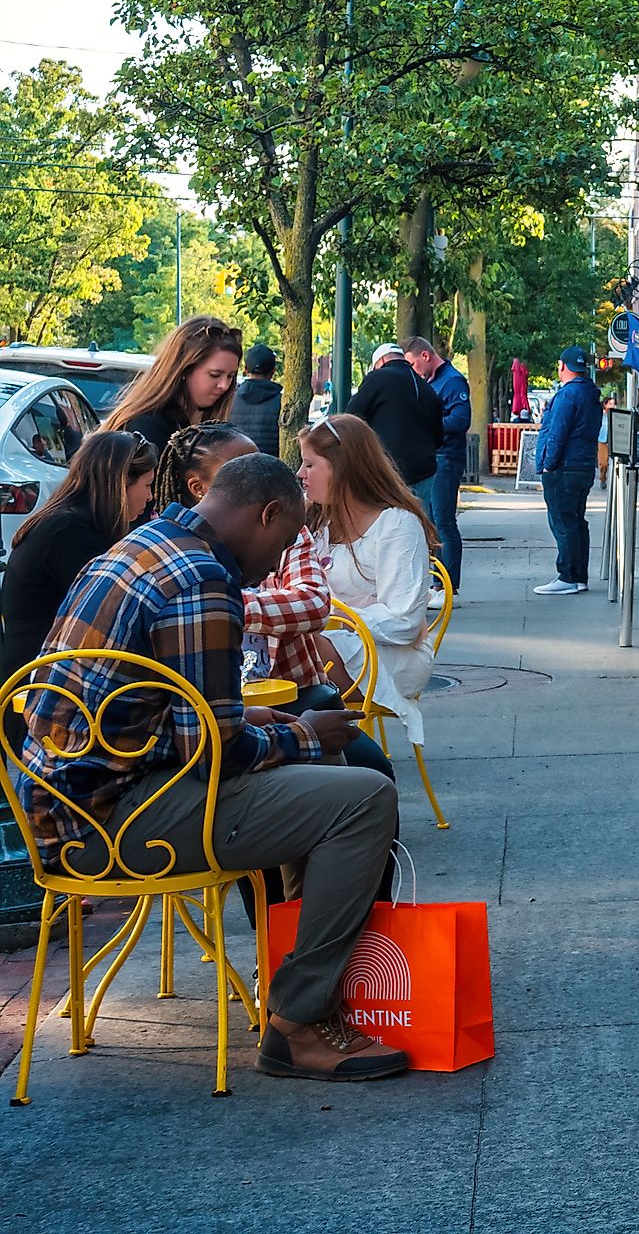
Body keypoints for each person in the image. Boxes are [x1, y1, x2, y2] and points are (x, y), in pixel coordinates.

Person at [9, 452, 407, 1080]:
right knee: (365, 796)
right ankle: (297, 1023)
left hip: (69, 807)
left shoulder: (142, 546)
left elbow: (164, 714)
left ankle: (301, 982)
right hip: (113, 829)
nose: (276, 563)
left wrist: (254, 718)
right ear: (266, 513)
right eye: (281, 541)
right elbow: (212, 754)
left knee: (332, 766)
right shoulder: (201, 579)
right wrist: (302, 732)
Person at [155, 424, 393, 787]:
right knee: (360, 791)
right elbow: (213, 749)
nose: (254, 477)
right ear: (201, 489)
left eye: (257, 464)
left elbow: (314, 601)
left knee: (371, 771)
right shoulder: (195, 574)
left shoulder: (281, 531)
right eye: (237, 470)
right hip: (161, 778)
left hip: (289, 696)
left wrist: (233, 608)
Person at [297, 416, 442, 757]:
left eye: (309, 464)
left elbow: (404, 622)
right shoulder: (317, 522)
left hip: (394, 655)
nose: (301, 474)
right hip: (332, 643)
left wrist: (324, 617)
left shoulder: (397, 525)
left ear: (343, 468)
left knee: (299, 645)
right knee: (283, 643)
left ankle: (298, 748)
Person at [0, 429, 154, 744]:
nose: (150, 497)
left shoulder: (71, 522)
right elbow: (116, 613)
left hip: (51, 685)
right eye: (147, 485)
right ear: (119, 484)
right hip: (39, 696)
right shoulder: (69, 532)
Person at [102, 314, 243, 454]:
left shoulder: (195, 424)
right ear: (183, 369)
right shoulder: (148, 427)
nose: (224, 385)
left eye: (231, 376)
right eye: (215, 375)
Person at [532, 346, 601, 596]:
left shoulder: (567, 395)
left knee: (562, 522)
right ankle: (579, 575)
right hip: (582, 466)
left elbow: (557, 432)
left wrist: (548, 464)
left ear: (562, 365)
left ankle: (568, 576)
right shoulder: (591, 394)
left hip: (563, 467)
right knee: (577, 521)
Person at [406, 337, 471, 597]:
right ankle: (439, 583)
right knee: (434, 521)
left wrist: (428, 424)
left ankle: (447, 586)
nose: (412, 370)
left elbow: (461, 419)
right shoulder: (434, 381)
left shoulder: (452, 381)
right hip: (437, 457)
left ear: (425, 355)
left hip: (446, 457)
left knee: (443, 521)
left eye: (412, 363)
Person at [350, 341, 443, 519]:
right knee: (421, 525)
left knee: (386, 526)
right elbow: (438, 437)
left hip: (387, 471)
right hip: (424, 471)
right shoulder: (427, 389)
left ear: (381, 361)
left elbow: (351, 417)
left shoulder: (376, 379)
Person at [228, 343, 286, 461]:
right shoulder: (283, 403)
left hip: (237, 469)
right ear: (273, 371)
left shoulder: (229, 400)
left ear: (246, 369)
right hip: (272, 469)